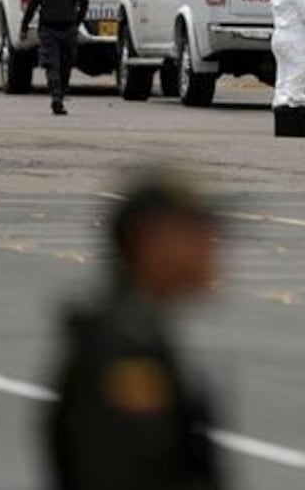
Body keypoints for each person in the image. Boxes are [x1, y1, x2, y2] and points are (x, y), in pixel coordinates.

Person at [45, 169, 224, 490]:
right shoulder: (124, 355)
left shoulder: (137, 334)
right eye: (197, 235)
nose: (212, 250)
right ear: (151, 243)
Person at [21, 0, 89, 116]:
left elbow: (84, 3)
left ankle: (61, 93)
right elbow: (32, 6)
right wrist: (24, 27)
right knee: (52, 65)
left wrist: (76, 23)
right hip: (49, 30)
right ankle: (56, 98)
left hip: (68, 30)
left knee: (66, 64)